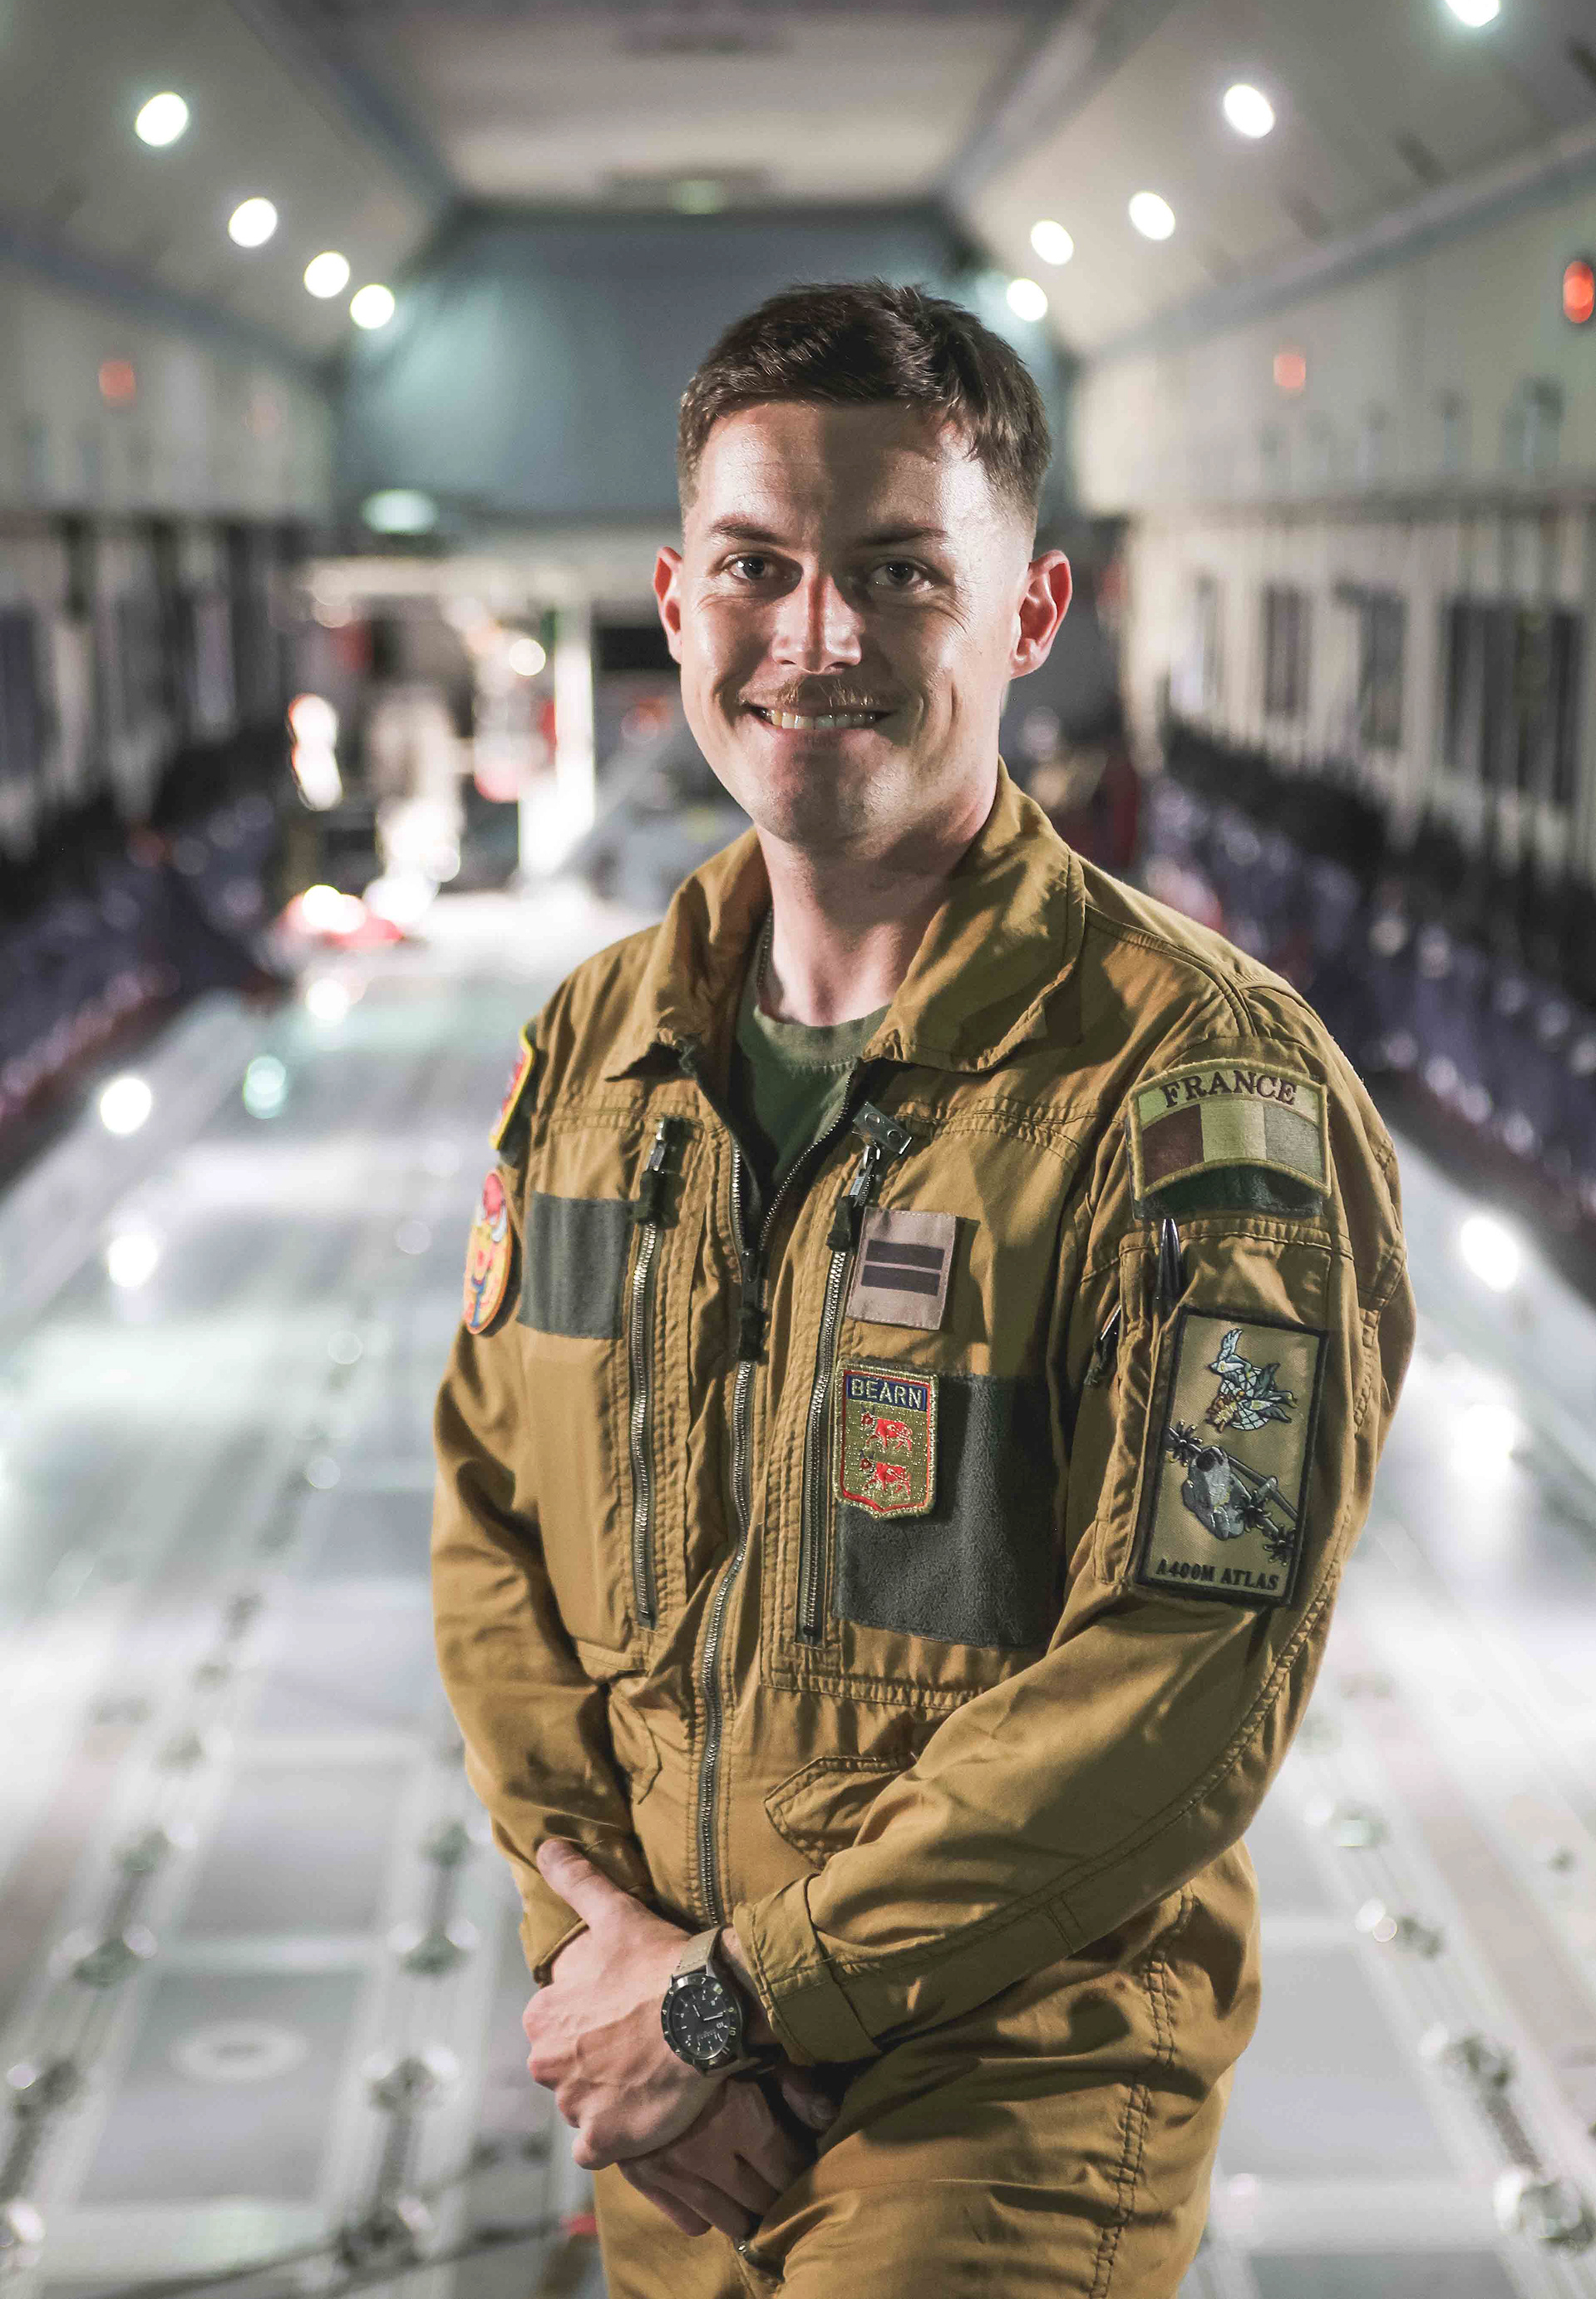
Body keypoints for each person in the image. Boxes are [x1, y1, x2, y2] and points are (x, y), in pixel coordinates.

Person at [431, 282, 1414, 2297]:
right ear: (674, 595)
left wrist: (735, 1997)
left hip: (1005, 2101)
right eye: (757, 570)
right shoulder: (599, 1059)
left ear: (1032, 614)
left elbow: (1181, 1672)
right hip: (676, 2117)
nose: (817, 642)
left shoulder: (1193, 1093)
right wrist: (605, 1963)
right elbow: (492, 1536)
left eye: (897, 575)